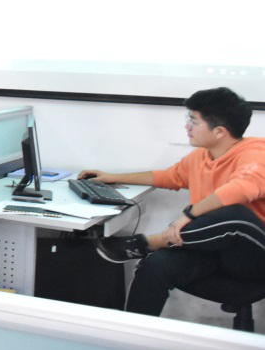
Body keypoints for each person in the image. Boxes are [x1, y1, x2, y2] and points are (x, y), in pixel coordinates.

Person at [82, 87, 264, 317]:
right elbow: (169, 177)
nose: (187, 127)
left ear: (219, 131)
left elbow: (241, 189)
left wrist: (188, 215)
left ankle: (152, 242)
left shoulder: (256, 153)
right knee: (155, 266)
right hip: (213, 253)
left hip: (254, 258)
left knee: (235, 214)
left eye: (193, 121)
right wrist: (113, 177)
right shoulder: (201, 156)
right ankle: (134, 336)